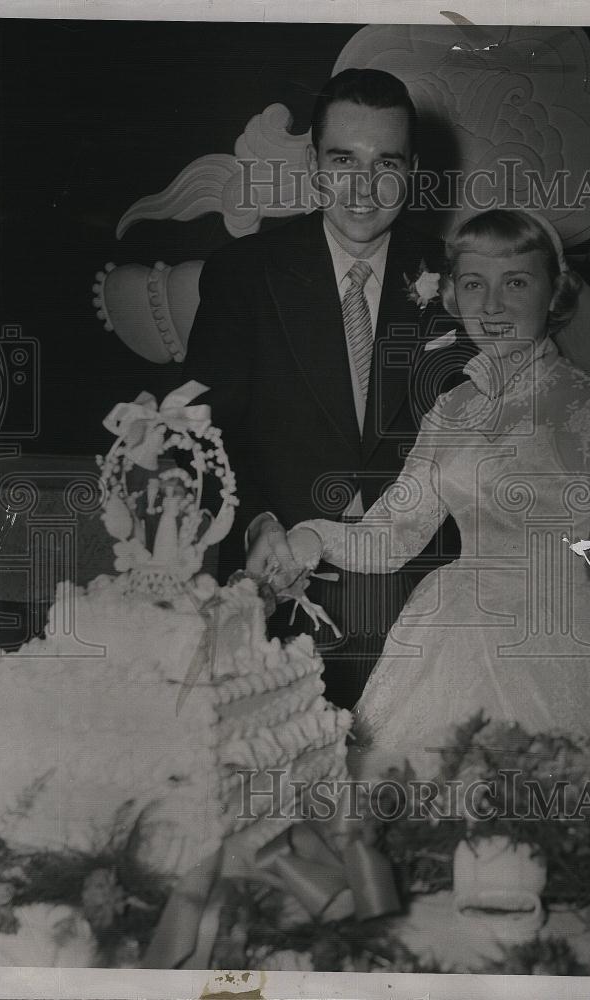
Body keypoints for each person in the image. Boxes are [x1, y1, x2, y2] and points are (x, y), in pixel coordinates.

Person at [284, 209, 590, 791]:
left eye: (516, 282)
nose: (492, 305)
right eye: (474, 284)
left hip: (574, 643)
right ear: (451, 293)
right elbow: (393, 534)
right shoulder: (450, 410)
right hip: (453, 634)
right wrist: (312, 535)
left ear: (555, 293)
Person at [182, 68, 463, 708]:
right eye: (343, 161)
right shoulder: (244, 273)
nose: (363, 189)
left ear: (413, 169)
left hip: (425, 587)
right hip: (280, 577)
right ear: (314, 164)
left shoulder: (456, 277)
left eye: (386, 163)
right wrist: (257, 524)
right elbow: (200, 436)